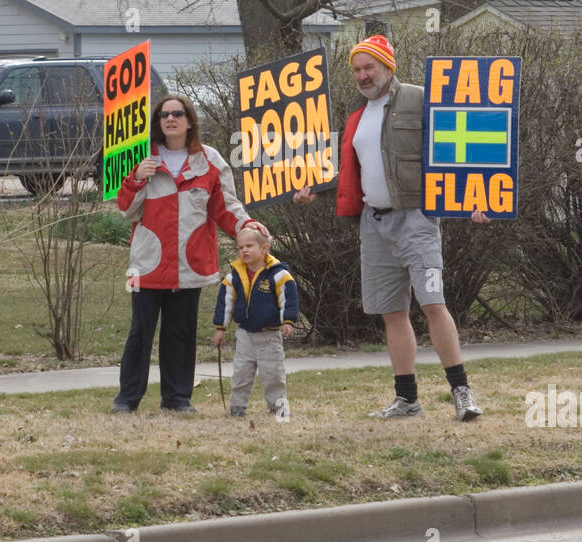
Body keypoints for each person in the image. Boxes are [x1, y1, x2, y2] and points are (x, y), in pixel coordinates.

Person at [294, 34, 484, 422]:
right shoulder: (355, 115)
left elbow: (458, 147)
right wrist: (316, 189)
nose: (363, 76)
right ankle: (407, 398)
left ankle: (462, 392)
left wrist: (477, 198)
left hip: (416, 218)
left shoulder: (419, 99)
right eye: (357, 70)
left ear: (387, 66)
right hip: (373, 222)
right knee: (392, 312)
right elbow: (350, 173)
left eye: (370, 67)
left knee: (433, 303)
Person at [113, 93, 258, 413]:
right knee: (140, 332)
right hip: (147, 265)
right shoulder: (142, 159)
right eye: (164, 114)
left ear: (189, 121)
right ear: (158, 122)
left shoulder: (210, 161)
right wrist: (136, 179)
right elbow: (125, 210)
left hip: (189, 265)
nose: (170, 119)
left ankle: (177, 399)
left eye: (178, 113)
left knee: (180, 333)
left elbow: (225, 208)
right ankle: (127, 399)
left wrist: (248, 227)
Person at [212, 227, 298, 419]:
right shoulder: (233, 277)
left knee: (273, 375)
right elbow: (225, 303)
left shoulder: (278, 275)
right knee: (241, 373)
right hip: (244, 335)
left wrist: (288, 321)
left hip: (270, 335)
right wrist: (220, 328)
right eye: (241, 247)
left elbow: (288, 298)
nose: (244, 250)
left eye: (249, 246)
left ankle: (279, 408)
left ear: (264, 248)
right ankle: (237, 407)